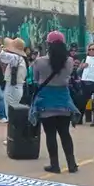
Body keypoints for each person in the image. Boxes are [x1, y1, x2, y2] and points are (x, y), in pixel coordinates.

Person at [30, 31, 80, 173]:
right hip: (64, 101)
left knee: (50, 134)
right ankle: (72, 164)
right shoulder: (69, 61)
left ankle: (55, 165)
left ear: (48, 44)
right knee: (65, 133)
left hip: (46, 102)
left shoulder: (39, 62)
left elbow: (35, 79)